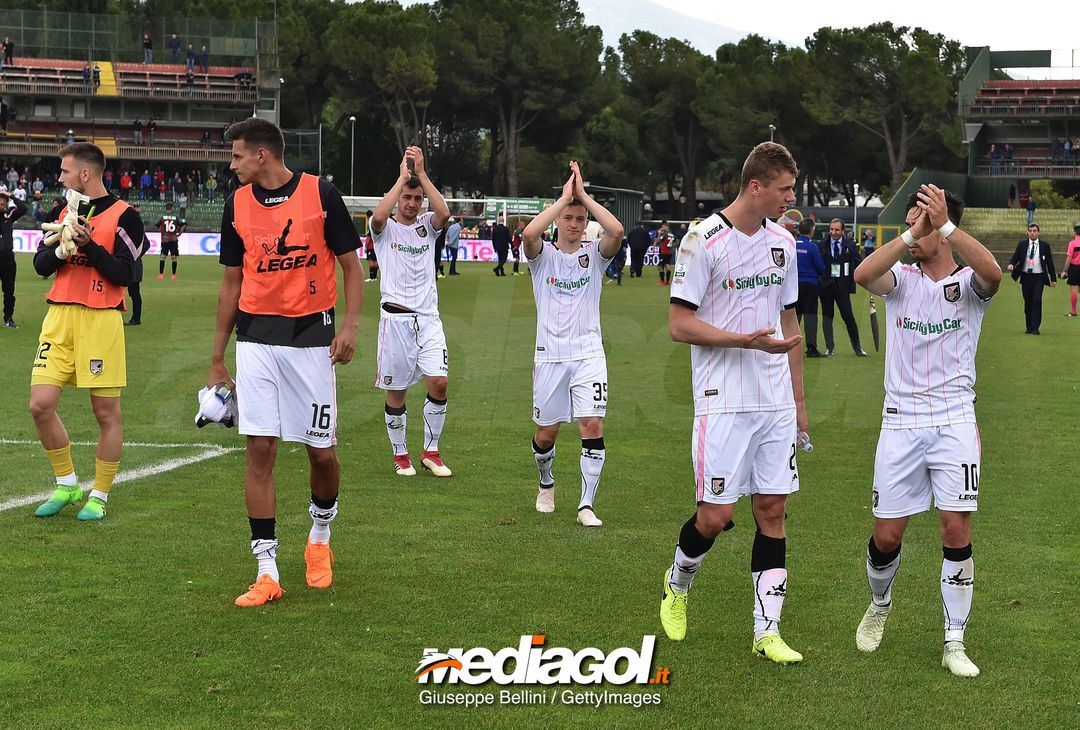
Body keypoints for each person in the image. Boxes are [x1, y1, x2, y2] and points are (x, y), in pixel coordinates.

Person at [657, 142, 807, 664]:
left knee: (772, 509)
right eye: (785, 189)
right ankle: (677, 586)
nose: (793, 198)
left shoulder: (784, 243)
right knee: (715, 515)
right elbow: (679, 325)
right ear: (756, 186)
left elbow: (790, 325)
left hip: (774, 402)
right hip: (722, 401)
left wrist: (799, 403)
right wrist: (744, 341)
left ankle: (767, 632)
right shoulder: (703, 241)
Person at [208, 117, 363, 607]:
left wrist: (350, 326)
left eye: (235, 156)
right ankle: (267, 570)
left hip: (312, 340)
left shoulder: (321, 193)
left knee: (322, 453)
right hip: (255, 340)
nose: (230, 166)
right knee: (260, 451)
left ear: (261, 155)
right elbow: (232, 282)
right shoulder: (235, 204)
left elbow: (352, 267)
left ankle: (319, 538)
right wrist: (217, 356)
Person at [852, 184, 1001, 678]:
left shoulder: (968, 285)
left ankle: (954, 641)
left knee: (955, 528)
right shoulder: (901, 279)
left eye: (923, 222)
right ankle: (880, 602)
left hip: (955, 419)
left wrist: (948, 226)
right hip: (900, 422)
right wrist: (910, 233)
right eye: (911, 221)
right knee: (887, 535)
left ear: (945, 227)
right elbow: (862, 275)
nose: (914, 231)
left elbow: (993, 274)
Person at [30, 142, 146, 521]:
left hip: (101, 319)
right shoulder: (61, 210)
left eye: (64, 171)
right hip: (59, 318)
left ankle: (99, 494)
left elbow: (126, 274)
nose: (59, 177)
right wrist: (62, 251)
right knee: (40, 404)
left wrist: (89, 245)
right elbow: (39, 264)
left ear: (85, 173)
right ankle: (66, 484)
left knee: (106, 413)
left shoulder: (126, 216)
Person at [522, 161, 624, 527]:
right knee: (545, 434)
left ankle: (585, 505)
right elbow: (529, 235)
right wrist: (563, 199)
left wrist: (583, 197)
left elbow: (616, 229)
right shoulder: (542, 257)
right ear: (558, 220)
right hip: (549, 357)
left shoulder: (594, 255)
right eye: (568, 217)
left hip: (588, 354)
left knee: (592, 425)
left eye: (580, 219)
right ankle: (546, 483)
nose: (574, 223)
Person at [371, 146, 452, 477]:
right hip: (396, 320)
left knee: (440, 383)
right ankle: (400, 453)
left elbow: (444, 213)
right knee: (397, 390)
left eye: (417, 198)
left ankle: (431, 451)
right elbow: (377, 217)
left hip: (428, 318)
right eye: (407, 197)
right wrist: (403, 177)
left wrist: (422, 175)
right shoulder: (385, 229)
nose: (412, 203)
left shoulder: (427, 227)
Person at [819, 218, 867, 356]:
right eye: (831, 229)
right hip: (826, 287)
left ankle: (857, 348)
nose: (833, 232)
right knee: (827, 318)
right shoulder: (822, 245)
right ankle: (830, 347)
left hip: (843, 288)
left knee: (848, 317)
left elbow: (859, 264)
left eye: (836, 230)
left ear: (842, 231)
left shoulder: (850, 245)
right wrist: (821, 281)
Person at [1007, 223, 1057, 334]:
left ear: (1038, 232)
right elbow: (1015, 257)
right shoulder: (1022, 244)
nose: (1032, 233)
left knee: (1037, 300)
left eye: (1034, 231)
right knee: (1028, 301)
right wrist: (1011, 264)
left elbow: (1050, 263)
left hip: (1039, 276)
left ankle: (1035, 327)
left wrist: (1053, 278)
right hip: (1026, 276)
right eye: (1030, 231)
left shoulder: (1044, 246)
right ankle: (1029, 327)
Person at [794, 217, 825, 357]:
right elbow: (820, 267)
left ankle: (790, 346)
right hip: (811, 285)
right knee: (810, 316)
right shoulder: (812, 247)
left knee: (794, 317)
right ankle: (811, 348)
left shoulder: (792, 244)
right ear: (811, 231)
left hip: (794, 285)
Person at [0, 189, 27, 327]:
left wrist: (12, 196)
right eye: (0, 199)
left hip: (7, 258)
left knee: (9, 291)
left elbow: (24, 208)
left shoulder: (8, 215)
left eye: (4, 199)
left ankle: (8, 318)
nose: (1, 202)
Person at [125, 205, 147, 325]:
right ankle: (135, 317)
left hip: (134, 265)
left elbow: (146, 244)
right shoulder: (131, 228)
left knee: (134, 291)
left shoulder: (136, 228)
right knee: (132, 291)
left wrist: (135, 254)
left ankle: (136, 318)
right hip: (129, 263)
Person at [156, 201, 185, 280]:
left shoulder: (162, 217)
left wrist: (163, 230)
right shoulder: (175, 217)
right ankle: (173, 275)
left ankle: (161, 275)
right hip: (174, 239)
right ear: (172, 208)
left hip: (165, 239)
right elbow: (183, 225)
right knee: (174, 257)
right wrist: (180, 233)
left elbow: (157, 224)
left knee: (163, 257)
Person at [1063, 223, 1080, 317]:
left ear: (1075, 232)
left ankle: (1073, 311)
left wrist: (1065, 270)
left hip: (1074, 268)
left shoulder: (1072, 243)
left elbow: (1069, 258)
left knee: (1074, 290)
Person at [655, 221, 674, 285]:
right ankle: (667, 281)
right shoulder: (671, 233)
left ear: (666, 226)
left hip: (664, 251)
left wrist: (659, 233)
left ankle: (662, 280)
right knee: (667, 264)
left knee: (659, 266)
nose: (662, 228)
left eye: (663, 227)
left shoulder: (665, 234)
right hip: (670, 251)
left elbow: (658, 241)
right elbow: (676, 241)